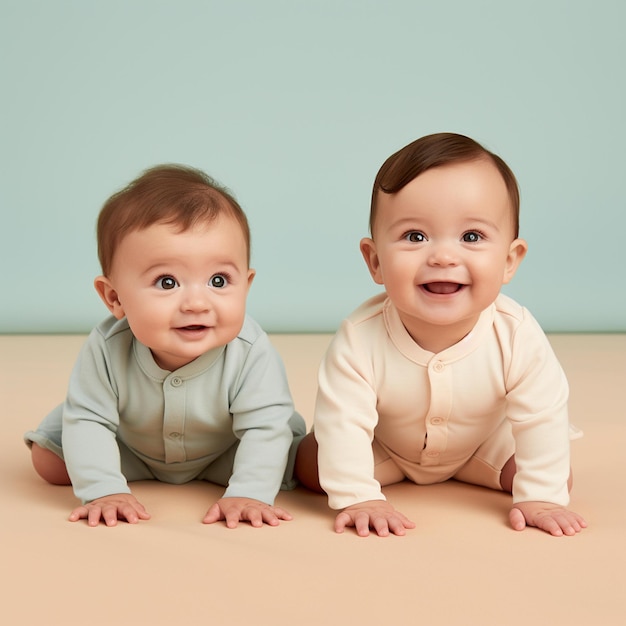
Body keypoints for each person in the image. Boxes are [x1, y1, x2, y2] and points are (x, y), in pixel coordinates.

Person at [295, 132, 587, 538]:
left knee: (552, 473)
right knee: (311, 460)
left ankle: (517, 479)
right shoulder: (359, 338)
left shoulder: (516, 334)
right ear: (375, 261)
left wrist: (540, 494)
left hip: (483, 448)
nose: (444, 257)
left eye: (472, 237)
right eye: (415, 236)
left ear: (509, 260)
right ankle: (356, 475)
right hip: (387, 450)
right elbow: (345, 418)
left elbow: (543, 413)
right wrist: (360, 496)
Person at [25, 164, 305, 528]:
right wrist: (105, 489)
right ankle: (110, 471)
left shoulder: (250, 350)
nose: (196, 303)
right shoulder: (107, 348)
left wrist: (249, 492)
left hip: (225, 451)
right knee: (50, 460)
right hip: (134, 448)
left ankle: (255, 474)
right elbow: (90, 421)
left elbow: (264, 427)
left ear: (247, 285)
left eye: (218, 280)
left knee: (297, 456)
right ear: (114, 298)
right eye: (167, 282)